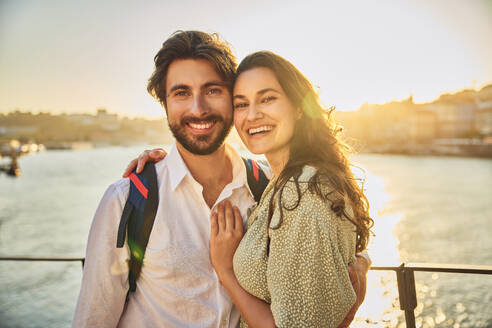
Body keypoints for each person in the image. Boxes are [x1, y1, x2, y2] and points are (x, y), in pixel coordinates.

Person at [73, 30, 369, 328]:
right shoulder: (128, 199)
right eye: (181, 93)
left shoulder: (268, 187)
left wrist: (358, 266)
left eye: (213, 90)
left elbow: (326, 240)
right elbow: (93, 319)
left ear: (230, 98)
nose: (198, 108)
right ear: (164, 103)